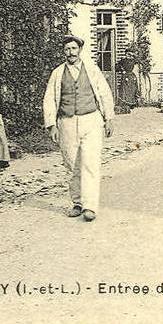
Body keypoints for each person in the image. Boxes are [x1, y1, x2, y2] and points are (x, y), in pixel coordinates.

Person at [43, 35, 115, 222]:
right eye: (67, 49)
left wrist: (109, 118)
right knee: (71, 164)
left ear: (80, 50)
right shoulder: (57, 73)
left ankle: (90, 206)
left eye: (74, 49)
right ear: (63, 52)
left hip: (90, 120)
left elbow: (105, 94)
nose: (70, 53)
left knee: (90, 163)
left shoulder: (92, 70)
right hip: (66, 122)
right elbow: (49, 99)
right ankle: (77, 203)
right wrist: (51, 125)